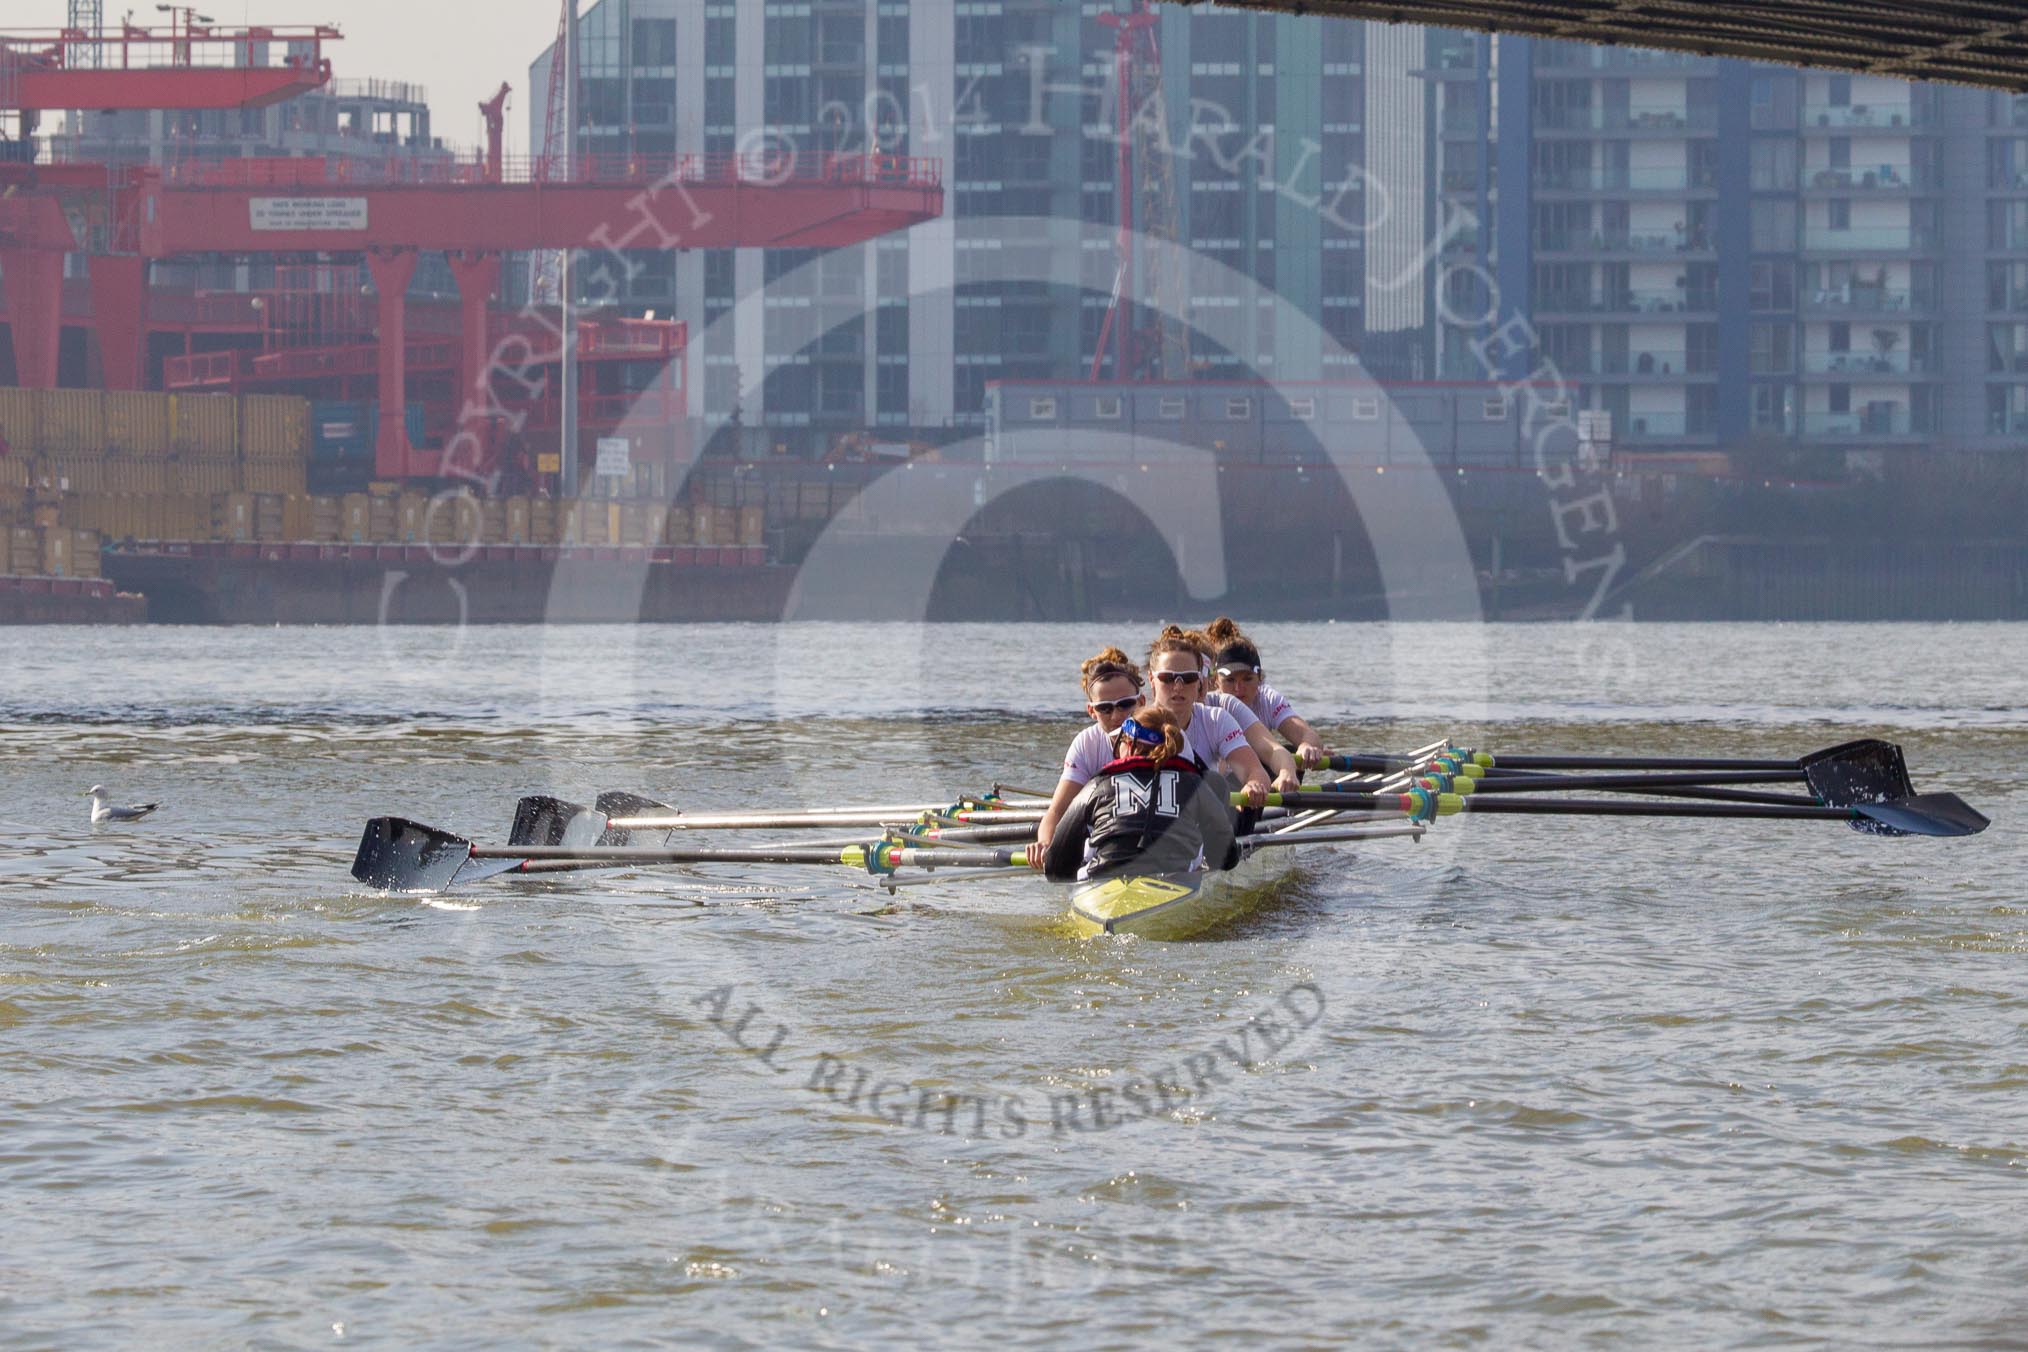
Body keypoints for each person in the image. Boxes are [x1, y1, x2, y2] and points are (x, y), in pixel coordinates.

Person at [1041, 707, 1239, 882]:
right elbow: (1226, 858)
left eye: (1119, 741)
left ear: (1130, 745)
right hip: (1173, 881)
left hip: (1101, 882)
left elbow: (1055, 867)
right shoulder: (1197, 785)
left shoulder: (1096, 786)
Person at [1032, 645, 1149, 865]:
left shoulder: (1166, 736)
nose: (1117, 716)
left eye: (1125, 705)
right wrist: (1045, 844)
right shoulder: (1086, 744)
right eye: (1105, 708)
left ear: (1141, 702)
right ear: (1091, 711)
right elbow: (1057, 812)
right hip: (1106, 846)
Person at [1156, 624, 1305, 793]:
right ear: (1153, 681)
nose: (1181, 685)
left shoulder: (1221, 711)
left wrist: (1285, 772)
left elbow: (1271, 751)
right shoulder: (1139, 723)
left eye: (1196, 675)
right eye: (1170, 677)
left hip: (1217, 801)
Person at [1203, 616, 1331, 770]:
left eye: (1247, 679)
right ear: (1216, 681)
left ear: (1260, 679)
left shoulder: (1267, 699)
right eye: (1230, 680)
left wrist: (1307, 747)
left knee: (1289, 751)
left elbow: (1307, 735)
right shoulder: (1207, 704)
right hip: (1221, 781)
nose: (1238, 688)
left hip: (1259, 778)